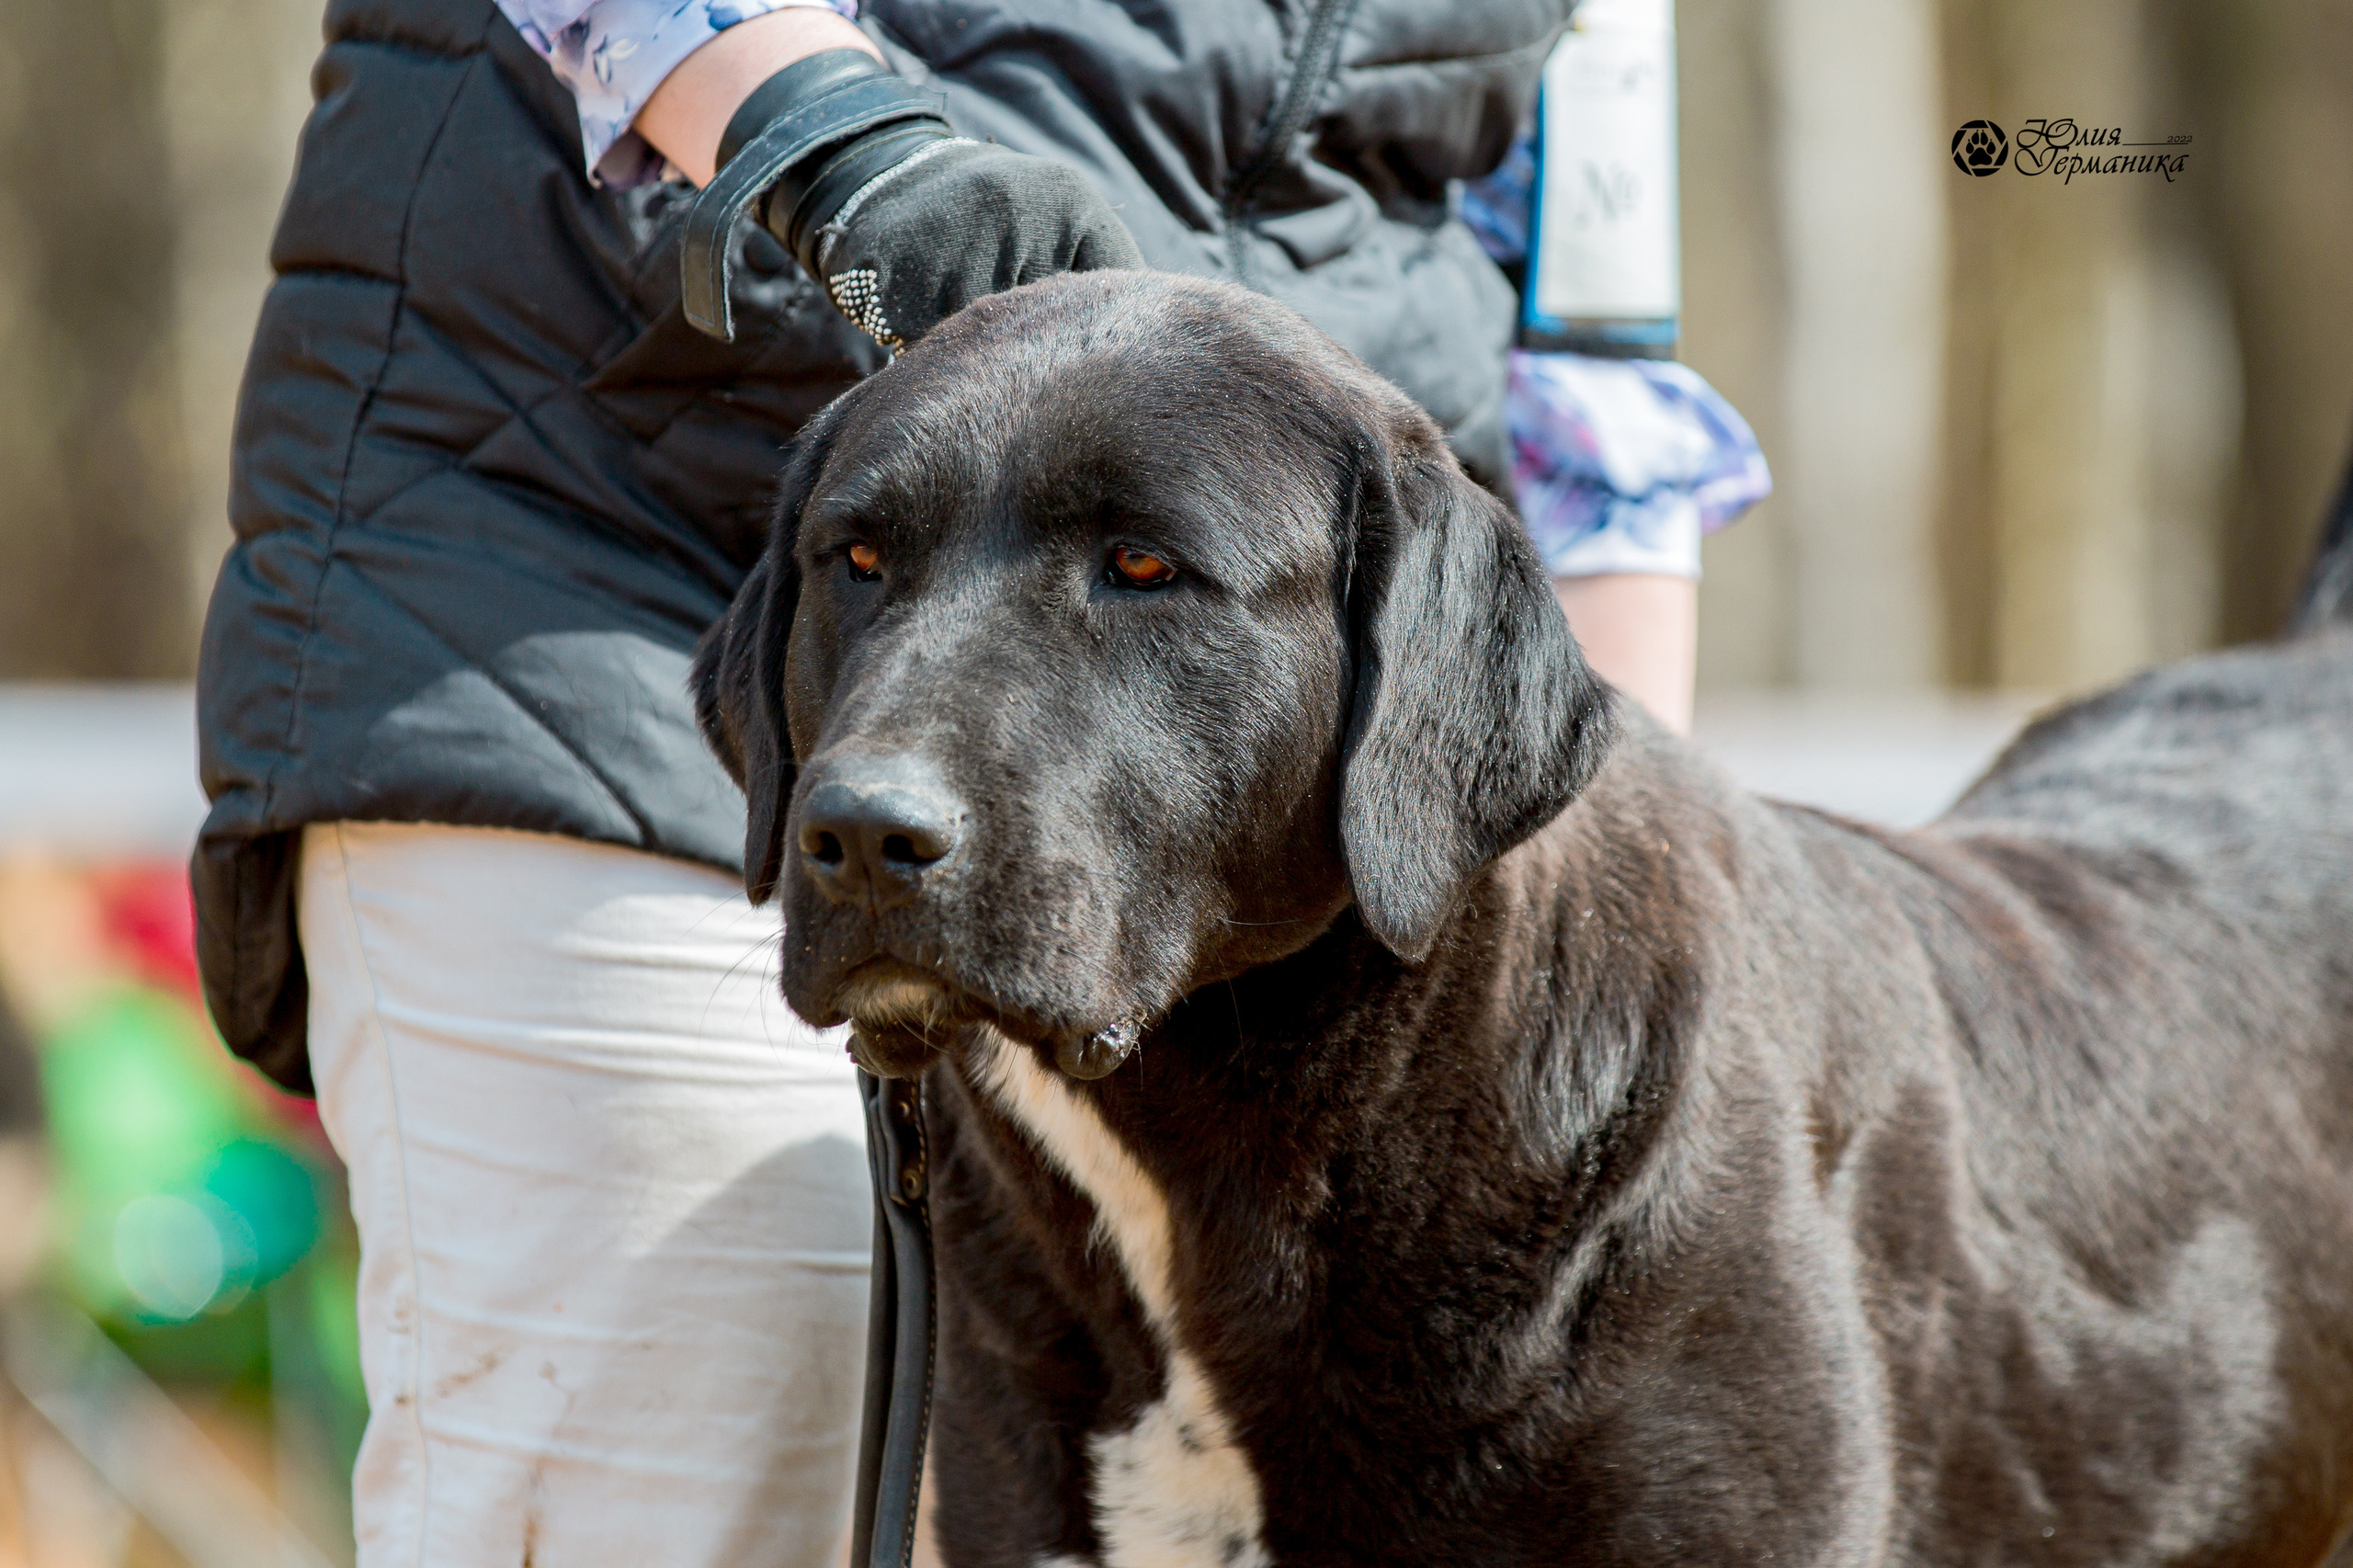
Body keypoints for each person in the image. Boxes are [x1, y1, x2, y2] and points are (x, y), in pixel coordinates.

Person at [190, 2, 1759, 1562]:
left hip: (1294, 745)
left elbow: (1587, 339)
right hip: (601, 585)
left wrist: (1604, 860)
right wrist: (835, 162)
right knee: (720, 1446)